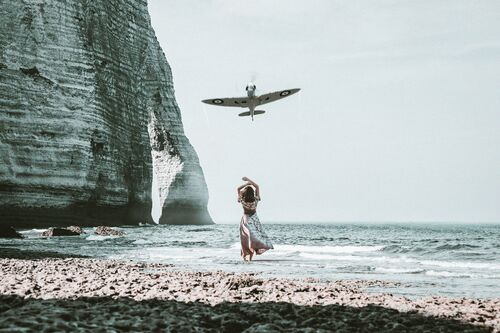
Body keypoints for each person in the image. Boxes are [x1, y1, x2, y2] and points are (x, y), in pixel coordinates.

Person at [237, 177, 273, 261]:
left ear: (244, 193)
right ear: (253, 193)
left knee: (245, 239)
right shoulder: (256, 199)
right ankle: (251, 255)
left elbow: (238, 189)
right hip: (254, 220)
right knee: (254, 238)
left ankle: (246, 255)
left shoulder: (242, 200)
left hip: (245, 220)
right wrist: (249, 181)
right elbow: (257, 186)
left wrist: (246, 184)